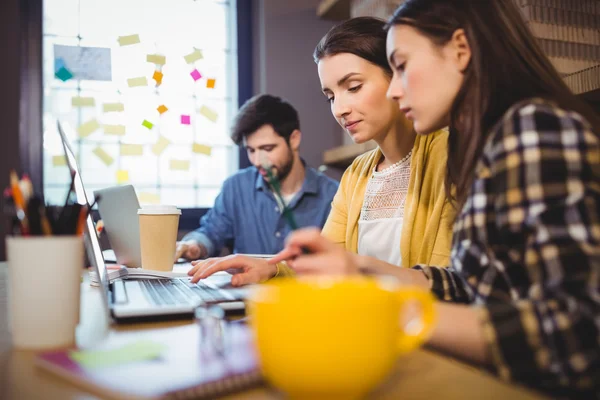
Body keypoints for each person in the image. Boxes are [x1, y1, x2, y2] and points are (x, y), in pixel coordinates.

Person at [270, 0, 600, 398]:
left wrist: (390, 314)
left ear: (461, 49)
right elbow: (466, 286)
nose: (394, 88)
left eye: (402, 66)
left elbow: (580, 331)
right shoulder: (485, 144)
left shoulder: (530, 128)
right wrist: (356, 269)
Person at [187, 17, 454, 285]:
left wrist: (356, 269)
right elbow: (327, 267)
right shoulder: (356, 174)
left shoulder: (452, 156)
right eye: (331, 97)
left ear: (397, 75)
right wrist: (271, 268)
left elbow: (454, 286)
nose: (339, 109)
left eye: (353, 87)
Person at [175, 94, 339, 265]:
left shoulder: (332, 196)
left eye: (267, 148)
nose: (258, 161)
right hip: (244, 290)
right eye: (251, 150)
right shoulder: (236, 187)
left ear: (294, 139)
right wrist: (193, 246)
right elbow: (210, 233)